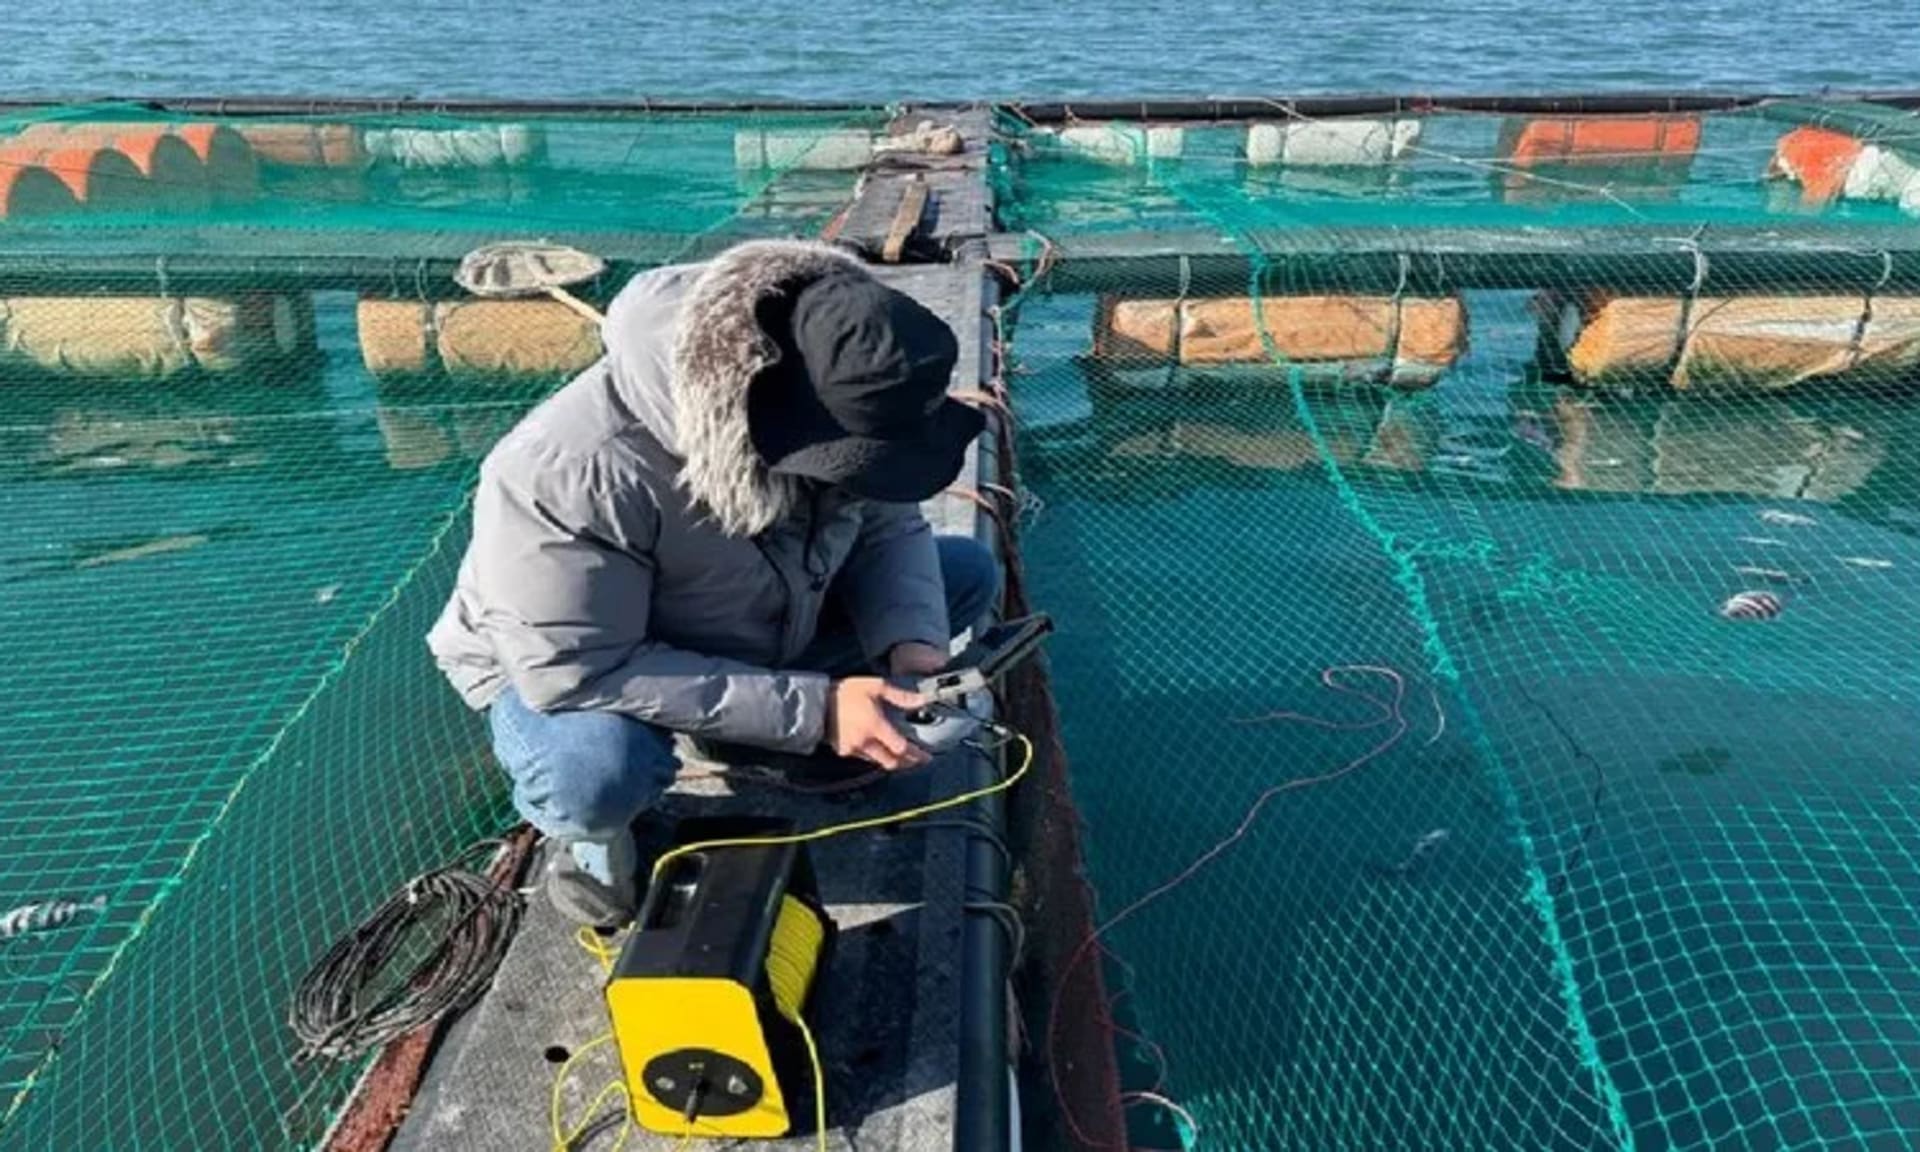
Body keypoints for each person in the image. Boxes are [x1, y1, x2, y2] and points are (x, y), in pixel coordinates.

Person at [427, 239, 999, 927]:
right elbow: (574, 671)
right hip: (584, 666)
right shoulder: (564, 471)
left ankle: (757, 734)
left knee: (962, 575)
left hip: (750, 609)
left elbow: (888, 524)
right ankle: (595, 859)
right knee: (593, 773)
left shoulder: (832, 385)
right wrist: (817, 710)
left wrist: (913, 645)